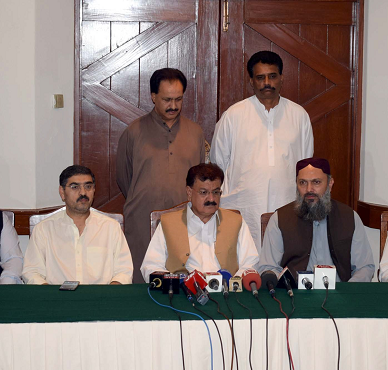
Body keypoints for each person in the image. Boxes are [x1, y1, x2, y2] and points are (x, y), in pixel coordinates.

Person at [210, 51, 313, 252]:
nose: (267, 82)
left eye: (272, 76)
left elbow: (306, 166)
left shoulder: (299, 116)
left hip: (287, 206)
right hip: (243, 207)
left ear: (281, 78)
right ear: (251, 81)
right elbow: (217, 165)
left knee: (283, 261)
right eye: (260, 77)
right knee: (244, 262)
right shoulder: (233, 116)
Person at [116, 68, 205, 283]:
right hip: (142, 220)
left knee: (184, 276)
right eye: (167, 99)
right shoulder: (134, 132)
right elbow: (124, 178)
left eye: (178, 99)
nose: (173, 106)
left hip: (185, 220)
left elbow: (200, 177)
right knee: (142, 278)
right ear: (153, 97)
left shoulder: (195, 133)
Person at [258, 158, 374, 282]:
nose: (309, 189)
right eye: (302, 182)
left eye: (316, 182)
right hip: (295, 295)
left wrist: (347, 291)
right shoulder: (279, 219)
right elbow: (268, 267)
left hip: (340, 293)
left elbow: (364, 267)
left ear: (330, 184)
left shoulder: (349, 217)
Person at [141, 163, 258, 281]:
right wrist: (174, 283)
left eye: (216, 192)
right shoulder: (168, 224)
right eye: (204, 192)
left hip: (227, 293)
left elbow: (250, 263)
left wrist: (234, 282)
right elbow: (151, 266)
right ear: (189, 192)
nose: (211, 199)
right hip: (183, 294)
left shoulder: (235, 222)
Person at [23, 165, 132, 285]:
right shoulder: (44, 229)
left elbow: (124, 271)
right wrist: (51, 297)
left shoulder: (111, 227)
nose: (83, 192)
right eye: (75, 187)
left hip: (101, 299)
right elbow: (32, 272)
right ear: (62, 192)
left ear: (94, 190)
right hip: (58, 299)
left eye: (88, 186)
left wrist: (109, 294)